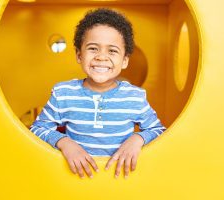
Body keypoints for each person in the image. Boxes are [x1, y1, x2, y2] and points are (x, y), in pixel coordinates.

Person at [30, 8, 166, 179]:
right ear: (79, 55)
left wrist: (137, 139)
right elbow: (38, 128)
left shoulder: (134, 97)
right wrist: (65, 142)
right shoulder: (63, 93)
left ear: (124, 60)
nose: (102, 57)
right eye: (93, 48)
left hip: (119, 182)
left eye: (112, 51)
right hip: (75, 180)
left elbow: (158, 130)